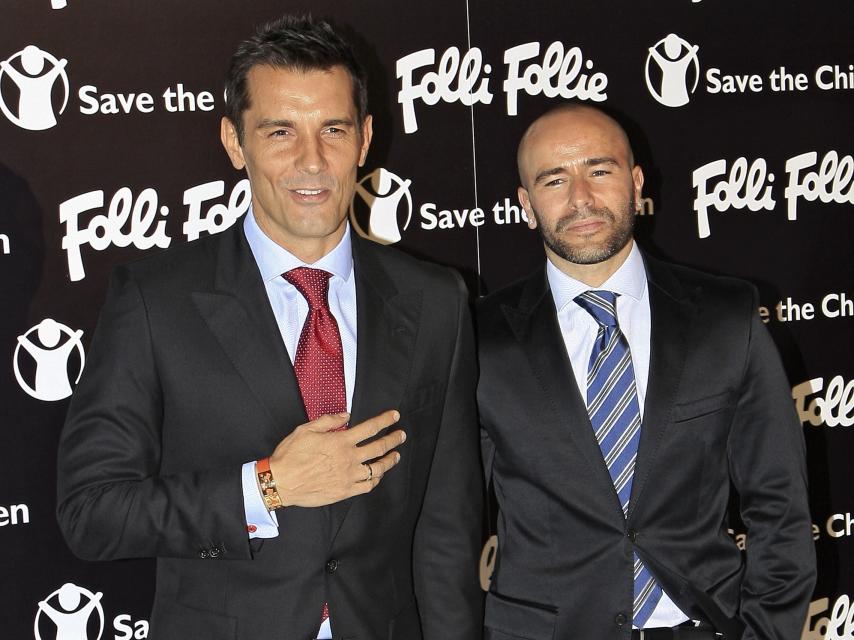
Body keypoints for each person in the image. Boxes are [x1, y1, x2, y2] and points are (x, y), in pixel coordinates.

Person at [57, 15, 483, 640]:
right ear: (235, 142)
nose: (311, 161)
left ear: (365, 139)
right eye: (280, 131)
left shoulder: (435, 299)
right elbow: (91, 514)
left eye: (332, 129)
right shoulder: (155, 300)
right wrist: (268, 487)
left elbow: (445, 531)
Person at [476, 103, 815, 639]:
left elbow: (781, 504)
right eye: (554, 179)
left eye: (600, 170)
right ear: (525, 204)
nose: (581, 197)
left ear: (636, 183)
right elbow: (446, 519)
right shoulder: (477, 337)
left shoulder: (725, 318)